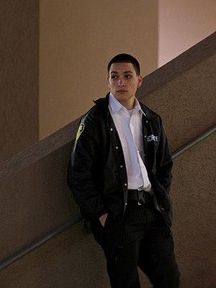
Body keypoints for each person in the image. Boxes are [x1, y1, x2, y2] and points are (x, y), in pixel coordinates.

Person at [67, 53, 180, 288]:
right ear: (108, 81)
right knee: (126, 283)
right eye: (114, 76)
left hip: (151, 212)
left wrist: (160, 199)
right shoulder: (94, 121)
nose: (121, 82)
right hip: (118, 217)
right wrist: (101, 214)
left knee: (169, 278)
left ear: (139, 80)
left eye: (127, 76)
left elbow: (165, 166)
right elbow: (78, 174)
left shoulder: (151, 119)